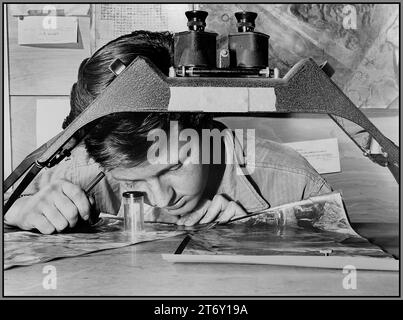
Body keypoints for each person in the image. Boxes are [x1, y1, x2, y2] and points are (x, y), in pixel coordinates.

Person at [4, 31, 332, 234]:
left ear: (205, 126)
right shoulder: (83, 169)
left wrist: (260, 239)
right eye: (130, 180)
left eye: (174, 166)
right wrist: (18, 211)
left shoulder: (294, 180)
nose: (163, 199)